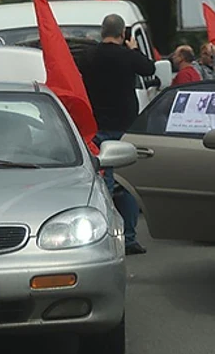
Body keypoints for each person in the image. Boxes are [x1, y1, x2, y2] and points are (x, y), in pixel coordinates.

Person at [78, 14, 155, 255]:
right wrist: (132, 49)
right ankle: (129, 238)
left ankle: (101, 237)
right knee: (128, 183)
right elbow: (149, 68)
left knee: (101, 182)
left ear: (102, 32)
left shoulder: (89, 56)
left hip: (95, 126)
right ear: (123, 33)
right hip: (123, 127)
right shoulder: (128, 56)